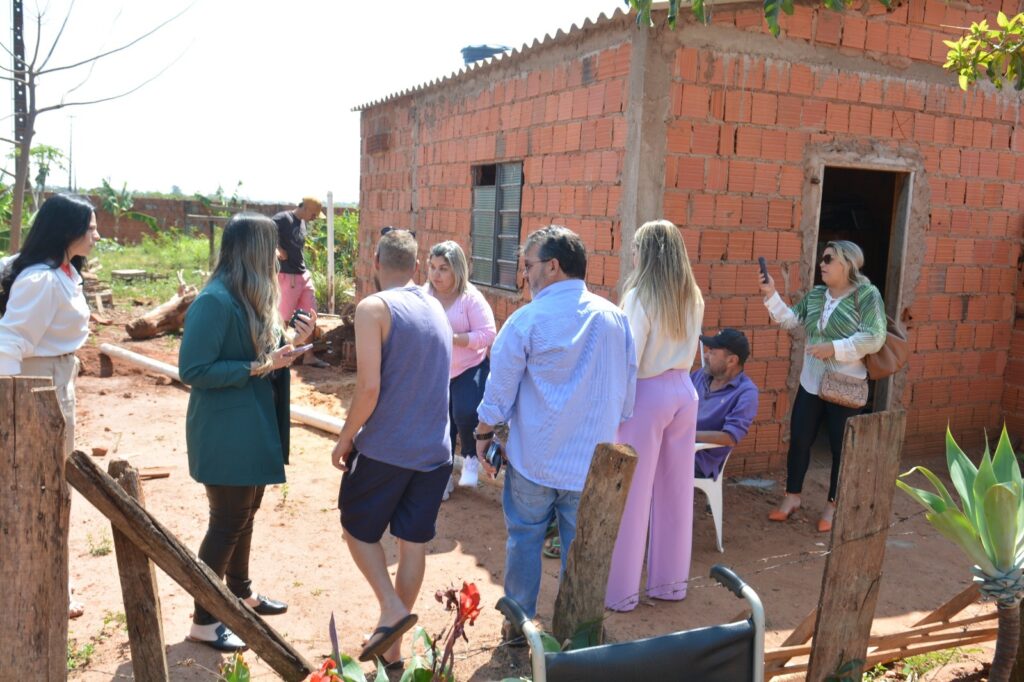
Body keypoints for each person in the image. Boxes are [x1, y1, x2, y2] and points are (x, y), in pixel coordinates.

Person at [475, 225, 636, 633]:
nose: (524, 275)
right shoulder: (617, 319)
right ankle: (575, 639)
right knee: (581, 553)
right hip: (592, 467)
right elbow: (628, 395)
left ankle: (518, 628)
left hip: (535, 460)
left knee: (525, 540)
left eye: (527, 266)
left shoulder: (526, 320)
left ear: (553, 266)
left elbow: (499, 390)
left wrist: (483, 435)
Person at [179, 213, 314, 652]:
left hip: (249, 423)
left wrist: (291, 341)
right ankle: (203, 619)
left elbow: (262, 354)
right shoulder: (215, 301)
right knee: (227, 521)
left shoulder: (248, 296)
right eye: (272, 246)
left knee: (246, 511)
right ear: (252, 250)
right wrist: (259, 366)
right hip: (225, 430)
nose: (280, 255)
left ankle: (238, 591)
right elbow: (193, 369)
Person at [331, 227, 452, 666]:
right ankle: (393, 649)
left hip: (386, 450)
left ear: (375, 263)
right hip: (435, 454)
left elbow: (368, 389)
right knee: (412, 545)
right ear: (417, 267)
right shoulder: (435, 306)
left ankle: (391, 607)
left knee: (355, 528)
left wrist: (346, 437)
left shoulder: (374, 308)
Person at [0, 192, 99, 620]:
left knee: (54, 484)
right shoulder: (39, 279)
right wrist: (9, 408)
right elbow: (10, 343)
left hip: (58, 381)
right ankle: (45, 581)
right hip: (37, 388)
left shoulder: (64, 271)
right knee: (39, 486)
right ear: (68, 231)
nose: (97, 234)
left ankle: (55, 576)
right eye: (91, 226)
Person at [605, 219, 704, 612]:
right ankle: (670, 585)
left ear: (646, 252)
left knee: (630, 494)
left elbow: (629, 358)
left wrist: (616, 406)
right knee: (676, 493)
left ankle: (621, 593)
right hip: (684, 391)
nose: (631, 254)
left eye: (635, 247)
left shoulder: (640, 294)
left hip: (646, 393)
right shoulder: (692, 294)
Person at [760, 240, 886, 532]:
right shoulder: (818, 295)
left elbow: (875, 337)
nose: (822, 264)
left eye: (829, 259)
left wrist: (835, 348)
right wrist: (771, 295)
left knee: (841, 448)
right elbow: (792, 321)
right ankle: (792, 497)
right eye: (822, 259)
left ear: (847, 264)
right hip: (811, 382)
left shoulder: (867, 295)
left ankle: (833, 504)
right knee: (800, 439)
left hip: (844, 385)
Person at [424, 240, 496, 495]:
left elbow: (488, 334)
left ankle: (470, 458)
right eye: (432, 267)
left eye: (443, 268)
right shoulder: (426, 295)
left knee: (465, 413)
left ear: (457, 269)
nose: (436, 274)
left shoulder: (470, 298)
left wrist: (454, 338)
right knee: (440, 424)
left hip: (470, 367)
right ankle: (442, 478)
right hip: (438, 370)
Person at [692, 328, 760, 480]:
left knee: (648, 461)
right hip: (676, 445)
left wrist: (687, 436)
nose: (705, 355)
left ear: (732, 361)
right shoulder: (700, 376)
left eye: (712, 352)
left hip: (700, 459)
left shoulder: (746, 393)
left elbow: (729, 437)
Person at [274, 196, 327, 368]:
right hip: (287, 276)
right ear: (305, 209)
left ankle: (308, 355)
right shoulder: (283, 219)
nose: (314, 218)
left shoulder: (302, 222)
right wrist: (277, 249)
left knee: (309, 315)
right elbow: (264, 232)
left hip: (303, 274)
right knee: (283, 317)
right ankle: (279, 355)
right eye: (313, 214)